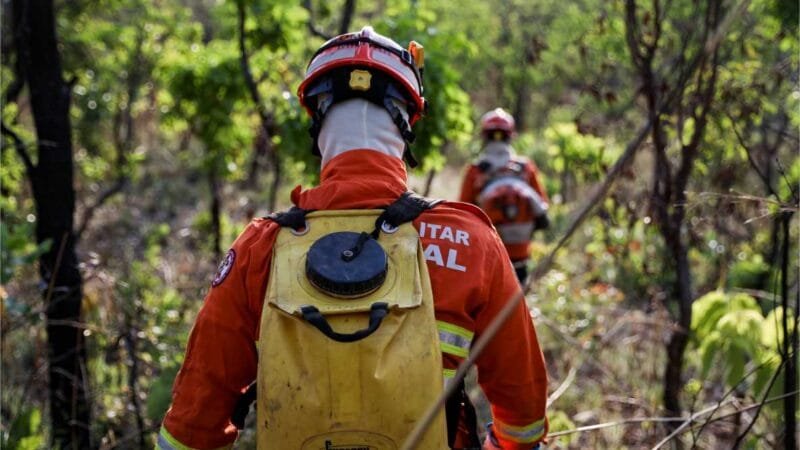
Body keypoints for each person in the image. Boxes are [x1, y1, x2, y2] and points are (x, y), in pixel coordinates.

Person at [156, 27, 547, 450]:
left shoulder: (260, 248)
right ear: (407, 122)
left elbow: (191, 429)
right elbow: (523, 419)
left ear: (316, 118)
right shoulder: (470, 241)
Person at [459, 109, 550, 284]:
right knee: (517, 302)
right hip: (521, 253)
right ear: (511, 135)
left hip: (488, 253)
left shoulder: (475, 170)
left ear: (484, 136)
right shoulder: (525, 167)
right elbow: (543, 207)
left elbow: (464, 213)